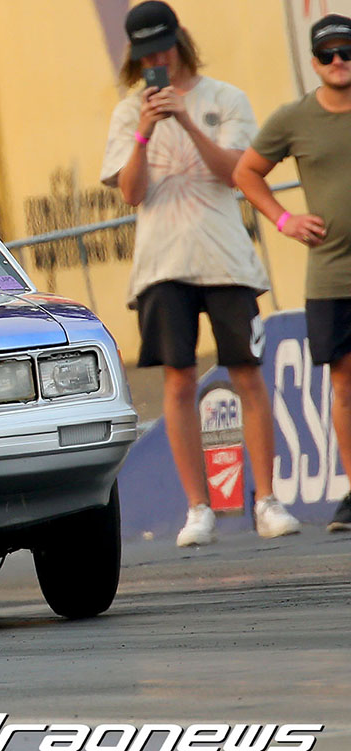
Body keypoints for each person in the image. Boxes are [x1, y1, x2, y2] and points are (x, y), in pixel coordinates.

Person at [100, 1, 300, 547]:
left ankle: (266, 500)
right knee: (179, 378)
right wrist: (146, 129)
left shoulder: (225, 98)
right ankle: (197, 507)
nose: (156, 62)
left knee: (246, 374)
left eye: (163, 49)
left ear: (180, 40)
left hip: (226, 258)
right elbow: (132, 192)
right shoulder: (128, 112)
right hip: (162, 264)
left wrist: (186, 120)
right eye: (146, 55)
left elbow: (235, 173)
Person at [234, 14, 351, 532]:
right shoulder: (294, 118)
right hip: (331, 275)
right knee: (344, 384)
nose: (338, 61)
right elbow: (246, 172)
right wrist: (284, 220)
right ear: (313, 63)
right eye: (327, 54)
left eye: (347, 51)